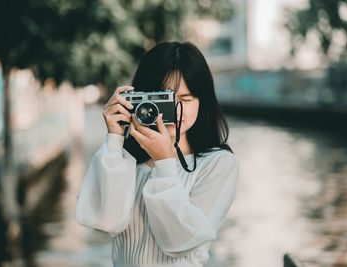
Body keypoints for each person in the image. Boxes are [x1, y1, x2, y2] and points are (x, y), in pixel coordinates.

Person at [74, 41, 239, 267]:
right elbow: (106, 221)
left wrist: (165, 161)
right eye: (164, 99)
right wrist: (114, 140)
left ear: (203, 101)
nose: (174, 110)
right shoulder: (123, 160)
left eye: (185, 99)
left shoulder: (218, 164)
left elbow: (179, 241)